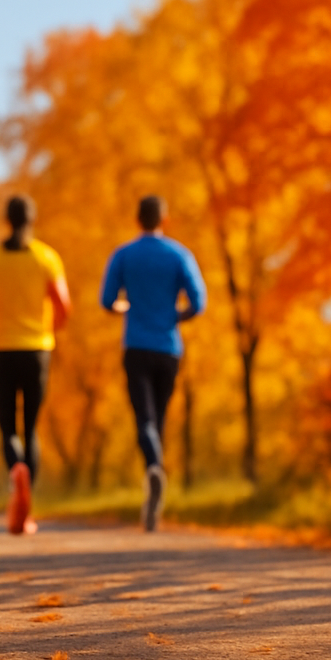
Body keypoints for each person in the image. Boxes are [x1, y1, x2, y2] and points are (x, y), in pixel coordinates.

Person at [99, 194, 206, 532]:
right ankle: (153, 496)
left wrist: (127, 308)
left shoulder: (124, 255)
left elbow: (107, 300)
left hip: (136, 346)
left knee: (144, 420)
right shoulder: (179, 254)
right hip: (168, 347)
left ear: (137, 219)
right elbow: (199, 302)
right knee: (157, 420)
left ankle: (154, 469)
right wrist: (174, 316)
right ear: (165, 219)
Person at [0, 194, 71, 536]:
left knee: (8, 428)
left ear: (7, 219)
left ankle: (16, 472)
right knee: (30, 427)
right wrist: (47, 329)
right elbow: (64, 307)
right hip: (36, 349)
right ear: (32, 219)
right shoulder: (47, 258)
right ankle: (26, 508)